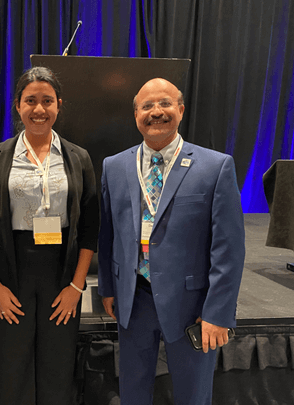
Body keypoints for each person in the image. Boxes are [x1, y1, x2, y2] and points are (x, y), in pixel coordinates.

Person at [98, 78, 245, 405]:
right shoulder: (114, 166)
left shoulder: (215, 166)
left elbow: (229, 249)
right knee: (133, 393)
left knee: (193, 396)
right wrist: (108, 288)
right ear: (135, 114)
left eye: (164, 103)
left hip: (191, 307)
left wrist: (218, 312)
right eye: (146, 106)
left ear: (180, 109)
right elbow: (108, 234)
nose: (156, 112)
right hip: (133, 300)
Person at [0, 66, 99, 405]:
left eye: (47, 100)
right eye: (31, 100)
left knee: (58, 367)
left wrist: (76, 287)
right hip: (12, 270)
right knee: (13, 366)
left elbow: (90, 228)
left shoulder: (78, 158)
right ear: (18, 106)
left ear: (59, 105)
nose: (39, 109)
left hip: (62, 271)